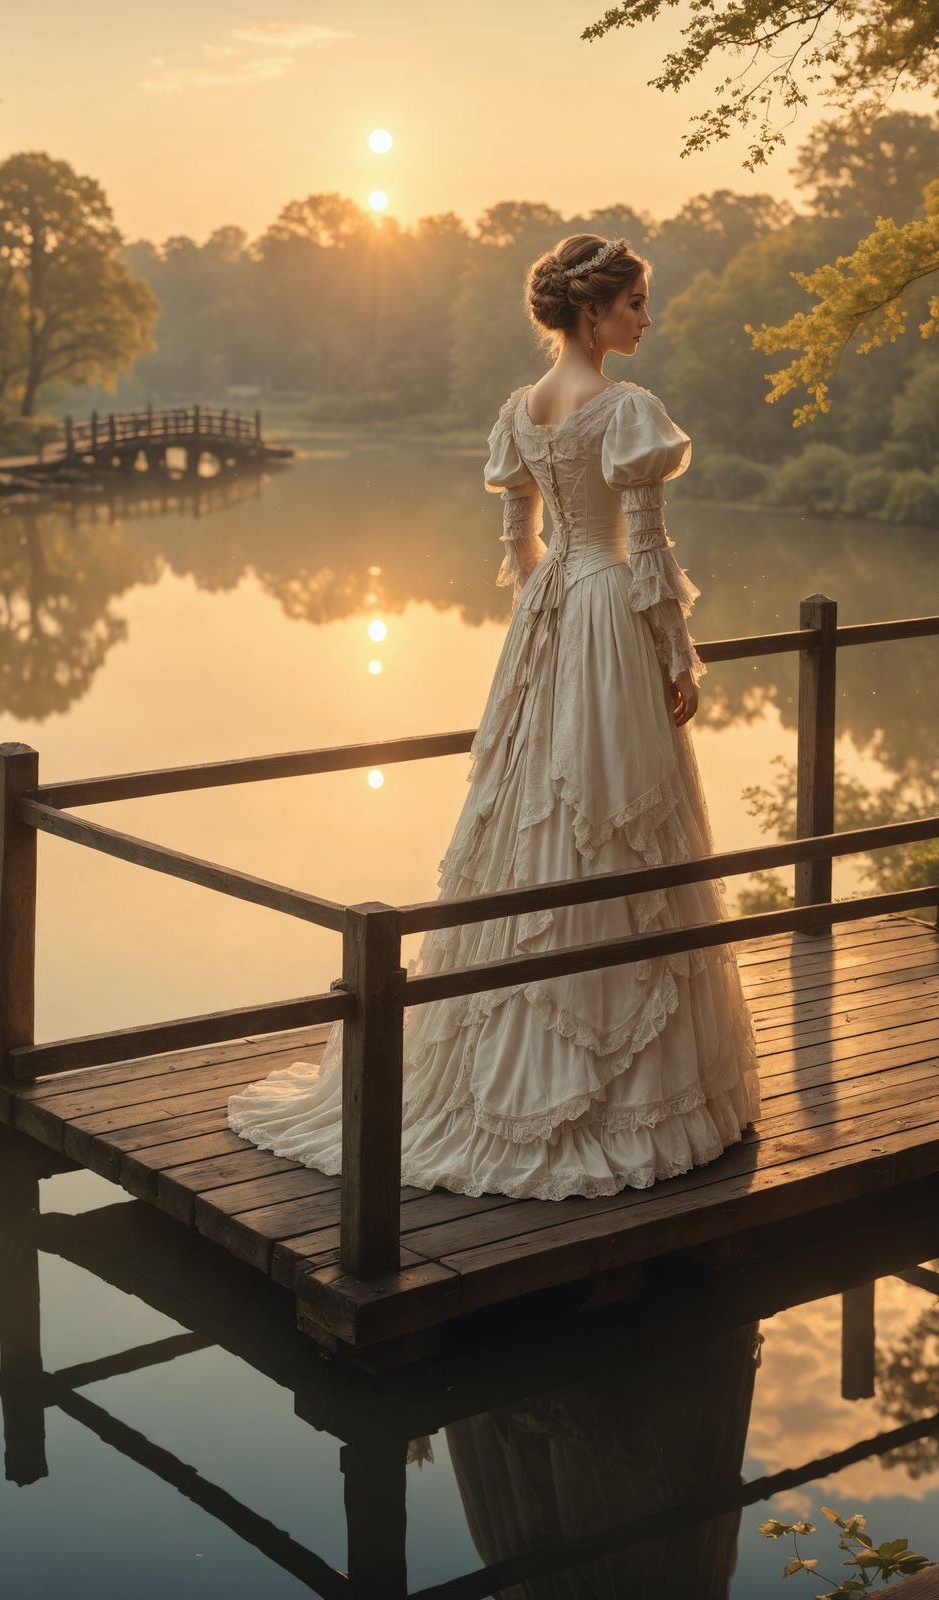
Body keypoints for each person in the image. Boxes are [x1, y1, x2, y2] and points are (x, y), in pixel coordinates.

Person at [226, 232, 761, 1201]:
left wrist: (548, 605)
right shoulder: (627, 409)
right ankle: (614, 1087)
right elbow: (647, 550)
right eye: (636, 302)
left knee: (532, 815)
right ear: (592, 313)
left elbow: (519, 535)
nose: (647, 317)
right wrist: (674, 655)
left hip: (551, 610)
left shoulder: (522, 410)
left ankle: (523, 1033)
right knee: (615, 816)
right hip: (603, 608)